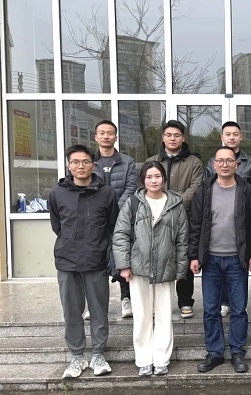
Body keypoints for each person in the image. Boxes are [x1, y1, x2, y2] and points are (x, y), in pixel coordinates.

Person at [112, 161, 188, 377]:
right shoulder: (133, 203)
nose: (153, 181)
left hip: (166, 267)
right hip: (138, 269)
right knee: (142, 316)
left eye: (157, 176)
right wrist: (124, 265)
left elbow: (182, 240)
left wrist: (180, 269)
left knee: (164, 315)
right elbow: (120, 235)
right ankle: (144, 359)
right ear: (143, 180)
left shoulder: (175, 204)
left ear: (164, 179)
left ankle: (162, 359)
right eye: (149, 177)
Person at [49, 145, 118, 379]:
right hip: (67, 260)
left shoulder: (106, 193)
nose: (81, 166)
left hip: (96, 260)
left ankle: (98, 354)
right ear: (69, 165)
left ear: (93, 164)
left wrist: (102, 249)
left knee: (99, 311)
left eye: (85, 162)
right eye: (76, 162)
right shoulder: (58, 193)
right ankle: (77, 356)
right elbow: (57, 225)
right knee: (71, 312)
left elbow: (112, 225)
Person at [190, 147, 251, 374]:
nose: (225, 164)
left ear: (236, 164)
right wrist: (194, 255)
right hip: (210, 259)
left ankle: (237, 351)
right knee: (210, 309)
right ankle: (215, 352)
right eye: (220, 161)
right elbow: (196, 225)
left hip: (237, 259)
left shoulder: (247, 190)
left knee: (239, 309)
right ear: (214, 164)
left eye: (229, 161)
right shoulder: (204, 191)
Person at [203, 121, 251, 318]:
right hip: (218, 225)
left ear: (240, 137)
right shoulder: (212, 161)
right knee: (217, 268)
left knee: (236, 267)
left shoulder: (250, 162)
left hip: (242, 221)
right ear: (222, 137)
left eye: (235, 134)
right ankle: (223, 302)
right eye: (227, 134)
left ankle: (235, 303)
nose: (231, 137)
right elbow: (206, 188)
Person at [147, 120, 203, 319]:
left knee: (183, 258)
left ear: (183, 138)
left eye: (176, 135)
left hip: (184, 217)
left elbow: (195, 188)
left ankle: (185, 301)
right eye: (169, 135)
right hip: (157, 217)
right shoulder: (153, 160)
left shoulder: (194, 162)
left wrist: (172, 204)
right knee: (158, 258)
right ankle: (157, 302)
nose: (172, 138)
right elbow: (148, 185)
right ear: (163, 137)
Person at [92, 119, 136, 319]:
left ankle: (126, 299)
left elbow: (130, 188)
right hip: (96, 218)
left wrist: (116, 209)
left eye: (110, 133)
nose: (106, 136)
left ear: (116, 137)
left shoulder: (127, 162)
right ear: (96, 137)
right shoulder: (89, 161)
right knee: (97, 260)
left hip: (121, 217)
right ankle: (96, 303)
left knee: (123, 257)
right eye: (102, 133)